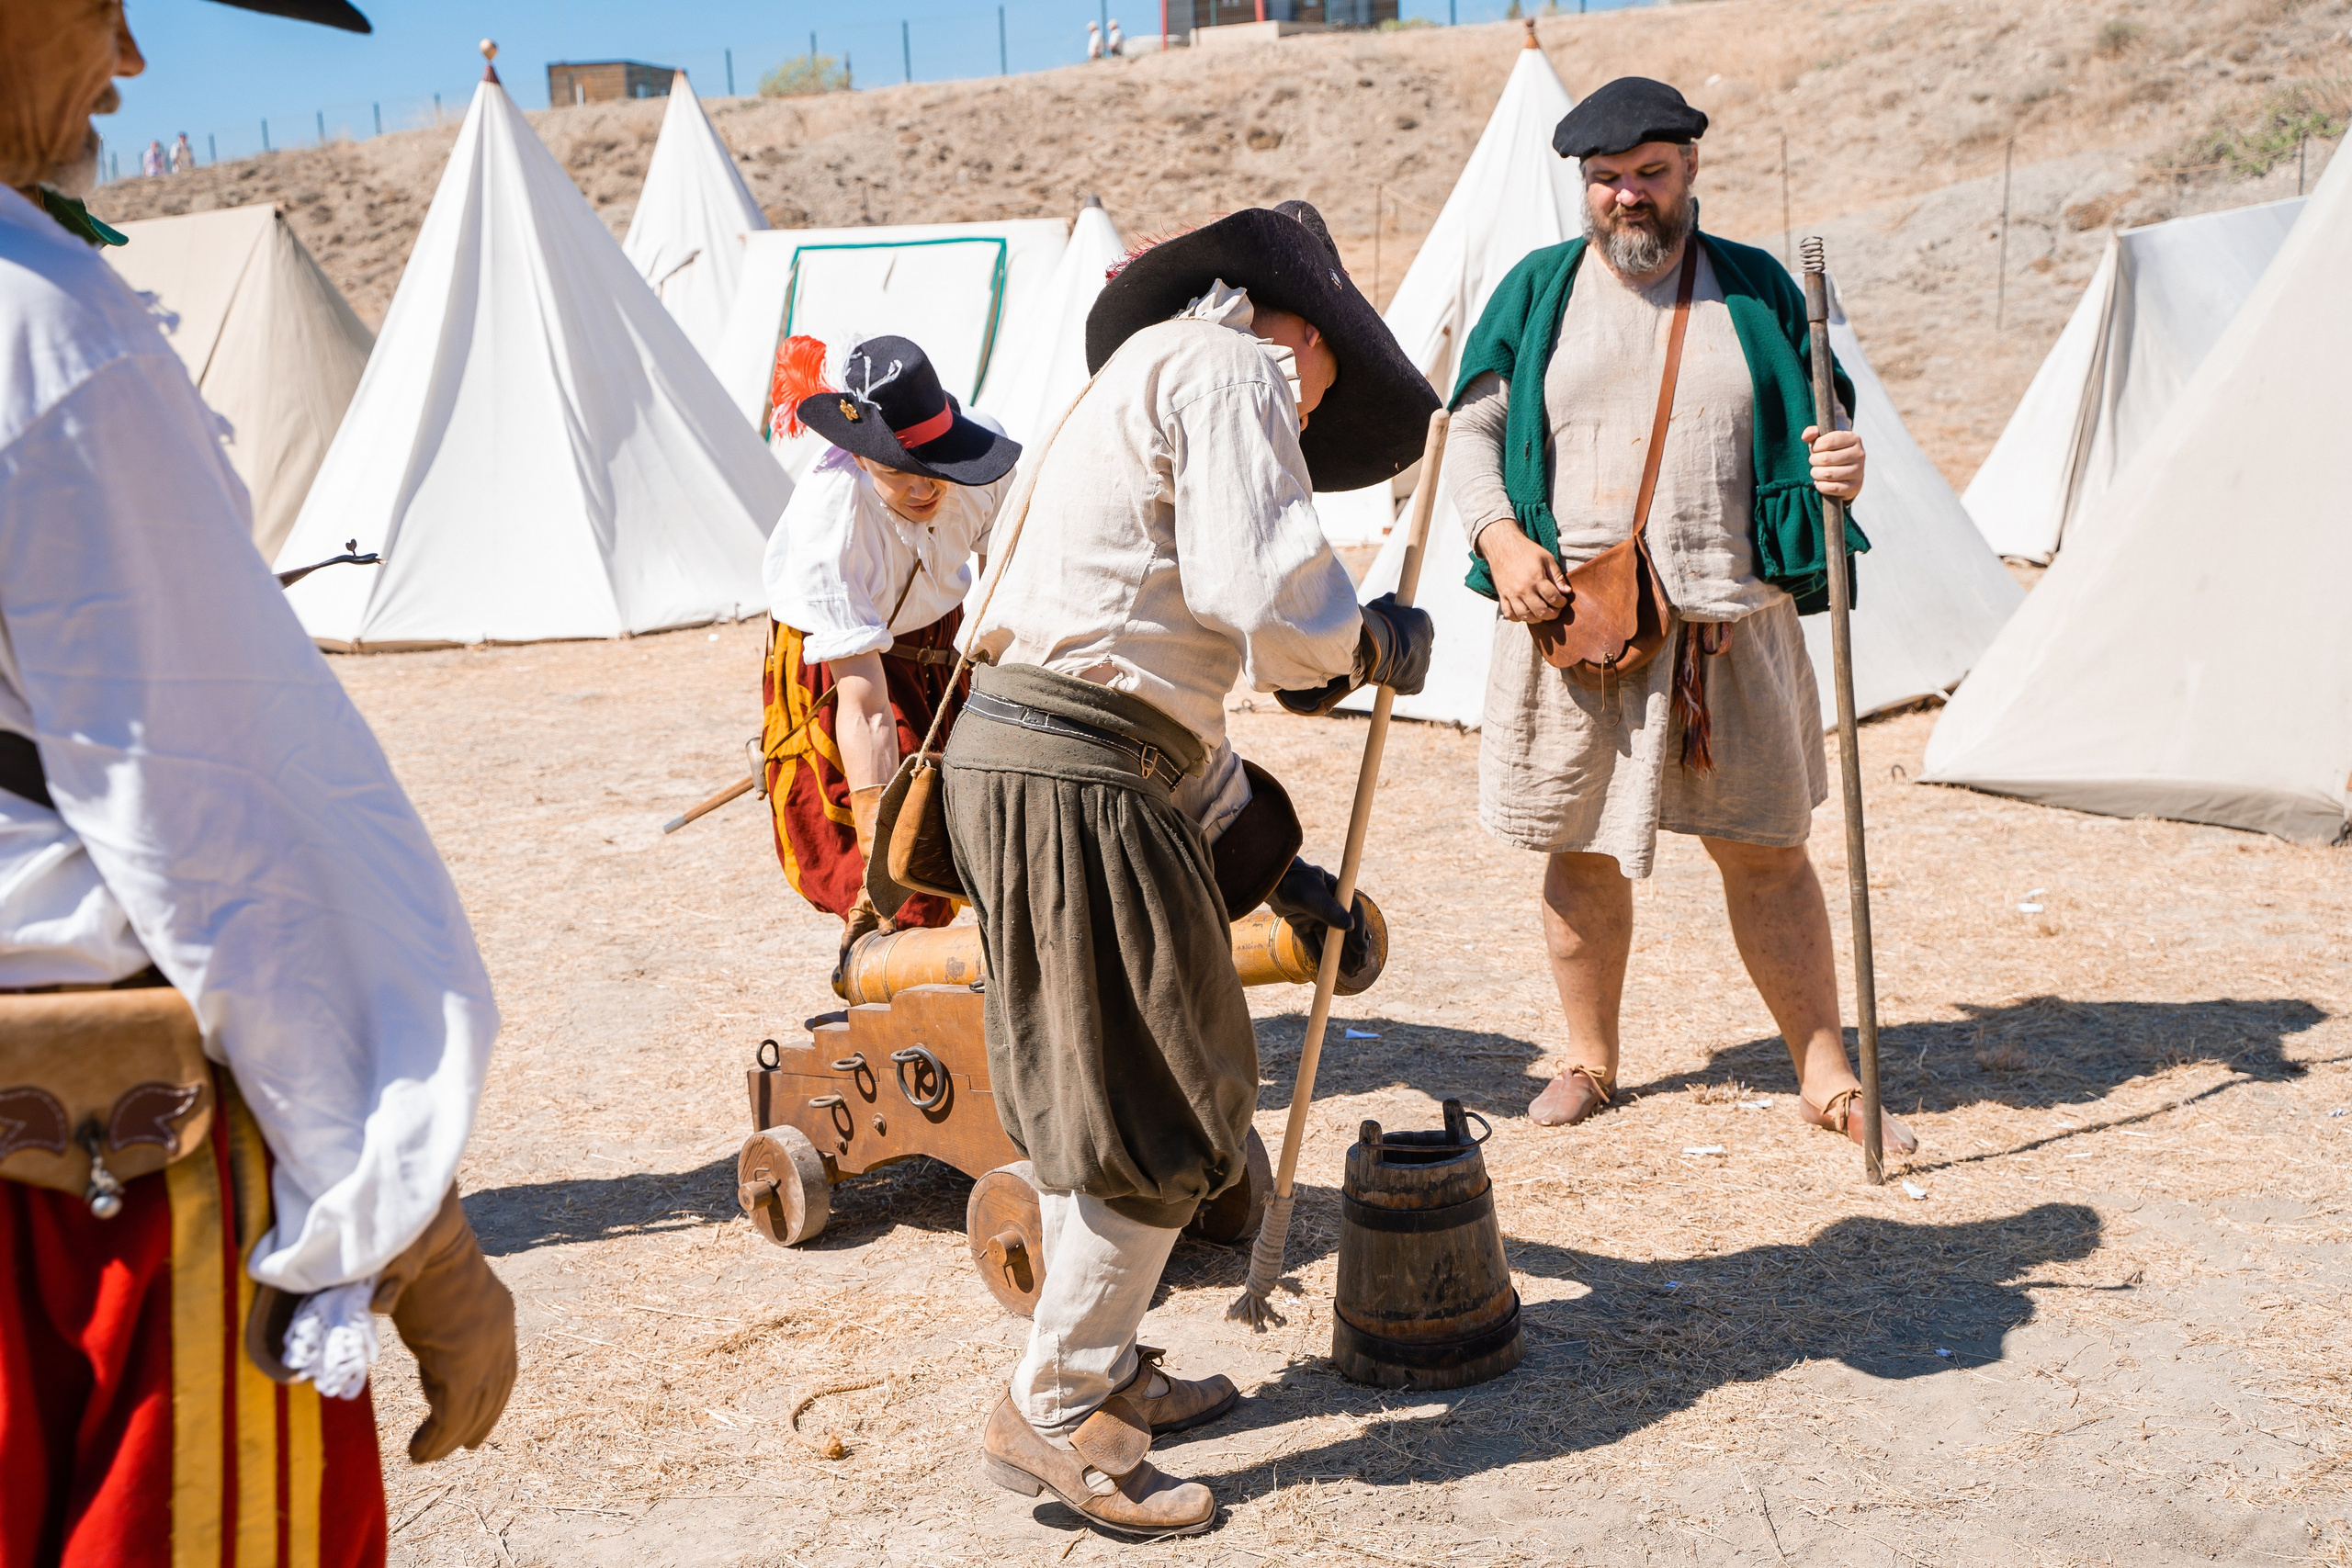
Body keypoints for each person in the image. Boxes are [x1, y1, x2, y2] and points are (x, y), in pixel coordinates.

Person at [1, 1, 516, 1563]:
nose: (129, 61)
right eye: (101, 2)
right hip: (81, 1197)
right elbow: (217, 821)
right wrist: (416, 1225)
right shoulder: (44, 325)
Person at [944, 200, 1437, 1536]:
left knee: (1096, 1087)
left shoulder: (1136, 376)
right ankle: (1058, 1408)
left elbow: (1145, 674)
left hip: (1046, 756)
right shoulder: (1229, 367)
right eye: (1324, 384)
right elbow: (1264, 600)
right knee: (1164, 1088)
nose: (1311, 413)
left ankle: (1101, 1367)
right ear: (1304, 334)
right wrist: (1365, 640)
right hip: (1075, 771)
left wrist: (1281, 873)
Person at [1447, 76, 1916, 1156]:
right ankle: (1588, 1058)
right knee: (1579, 850)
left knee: (1768, 852)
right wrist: (1499, 539)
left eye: (1650, 174)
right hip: (1581, 625)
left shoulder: (1756, 288)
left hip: (1729, 622)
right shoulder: (1538, 290)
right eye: (1606, 179)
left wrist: (1841, 462)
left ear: (1690, 169)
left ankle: (1826, 1073)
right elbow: (1471, 431)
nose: (1628, 196)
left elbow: (1823, 424)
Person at [759, 333, 1022, 970]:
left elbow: (1012, 577)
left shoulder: (984, 462)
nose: (925, 487)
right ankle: (887, 971)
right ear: (861, 455)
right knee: (891, 842)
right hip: (844, 657)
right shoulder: (830, 526)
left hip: (941, 639)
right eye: (899, 471)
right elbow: (867, 707)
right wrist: (882, 861)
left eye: (935, 468)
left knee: (965, 811)